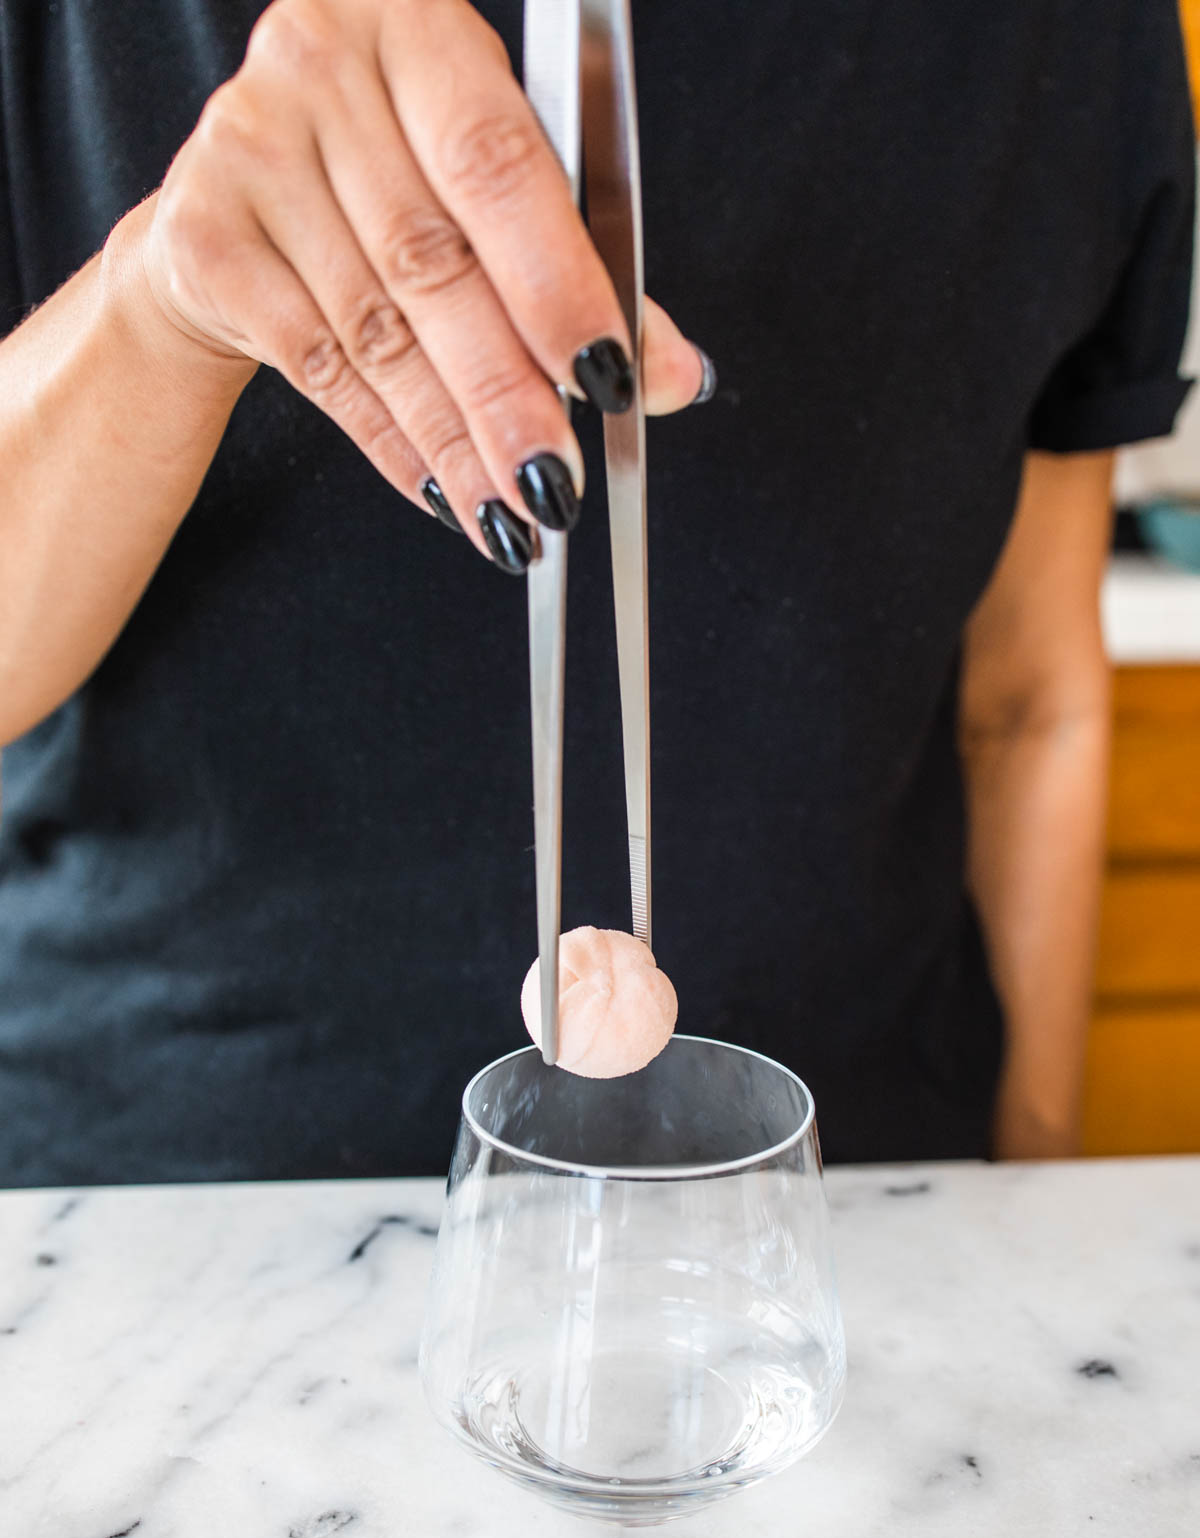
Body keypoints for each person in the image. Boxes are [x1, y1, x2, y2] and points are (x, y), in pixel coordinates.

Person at [0, 0, 1193, 1185]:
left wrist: (1039, 1181)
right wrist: (160, 295)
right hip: (154, 1221)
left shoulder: (1069, 33)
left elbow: (1029, 697)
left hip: (854, 1207)